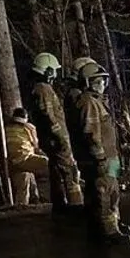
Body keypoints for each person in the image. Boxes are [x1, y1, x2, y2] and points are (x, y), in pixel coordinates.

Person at [72, 63, 130, 245]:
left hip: (111, 157)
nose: (102, 84)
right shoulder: (88, 102)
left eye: (103, 80)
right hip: (103, 158)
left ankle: (113, 224)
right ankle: (108, 231)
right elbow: (91, 133)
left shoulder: (97, 101)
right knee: (104, 193)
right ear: (88, 82)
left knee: (113, 191)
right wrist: (100, 158)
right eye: (98, 81)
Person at [24, 52, 84, 217]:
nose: (56, 74)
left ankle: (60, 206)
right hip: (56, 140)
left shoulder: (39, 88)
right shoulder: (43, 89)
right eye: (54, 71)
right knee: (69, 171)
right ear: (48, 71)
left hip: (51, 139)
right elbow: (48, 116)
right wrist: (61, 137)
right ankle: (76, 206)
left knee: (57, 172)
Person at [5, 108, 48, 206]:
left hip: (12, 162)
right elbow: (35, 145)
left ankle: (22, 204)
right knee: (49, 164)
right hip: (25, 159)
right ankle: (49, 196)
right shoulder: (28, 127)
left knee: (24, 176)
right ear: (25, 117)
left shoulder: (6, 128)